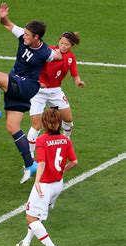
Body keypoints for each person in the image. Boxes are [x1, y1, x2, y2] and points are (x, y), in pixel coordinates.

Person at [0, 3, 61, 183]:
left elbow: (58, 56)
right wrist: (2, 16)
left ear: (36, 37)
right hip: (17, 85)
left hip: (26, 86)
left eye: (28, 35)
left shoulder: (45, 52)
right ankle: (30, 165)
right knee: (12, 127)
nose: (24, 37)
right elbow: (6, 23)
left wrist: (61, 51)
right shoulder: (23, 35)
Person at [16, 108, 77, 246]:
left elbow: (41, 163)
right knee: (37, 213)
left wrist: (36, 182)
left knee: (31, 218)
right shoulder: (65, 139)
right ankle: (26, 241)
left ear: (44, 123)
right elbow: (74, 162)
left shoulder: (41, 140)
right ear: (59, 124)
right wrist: (61, 171)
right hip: (58, 184)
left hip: (44, 185)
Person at [27, 32, 85, 161]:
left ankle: (66, 140)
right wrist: (35, 81)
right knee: (36, 125)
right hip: (38, 92)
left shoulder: (70, 57)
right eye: (62, 43)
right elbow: (33, 65)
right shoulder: (49, 52)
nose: (63, 46)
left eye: (67, 44)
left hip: (55, 92)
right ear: (59, 41)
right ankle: (29, 157)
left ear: (71, 45)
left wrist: (78, 81)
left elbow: (74, 73)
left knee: (68, 119)